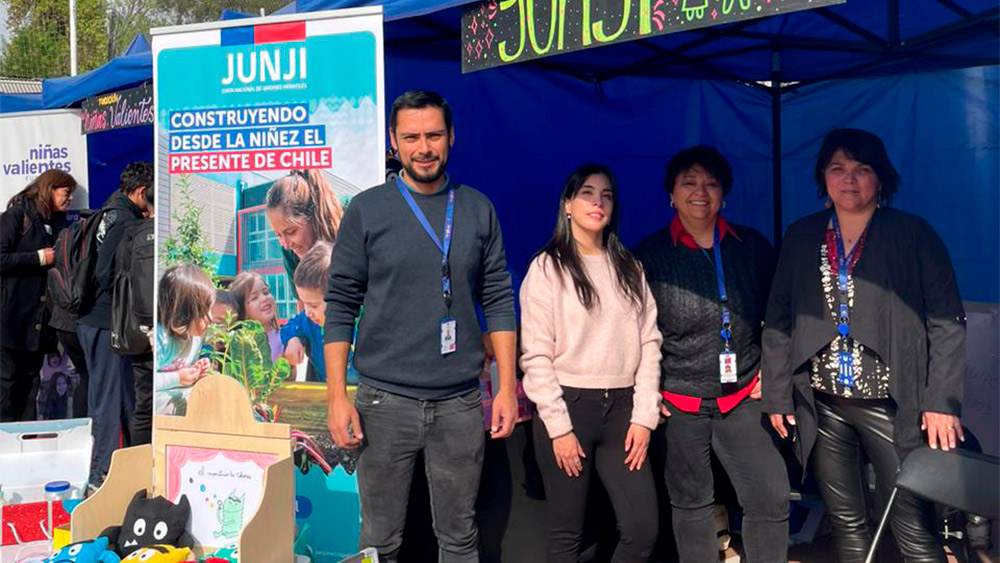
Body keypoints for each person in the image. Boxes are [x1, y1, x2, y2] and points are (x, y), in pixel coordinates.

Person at [325, 90, 519, 563]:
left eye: (433, 135)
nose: (424, 147)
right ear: (394, 142)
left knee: (458, 536)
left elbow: (497, 297)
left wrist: (508, 387)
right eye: (411, 137)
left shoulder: (477, 209)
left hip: (459, 402)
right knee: (379, 540)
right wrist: (335, 397)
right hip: (383, 402)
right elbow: (340, 304)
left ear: (451, 137)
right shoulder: (368, 210)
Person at [762, 129, 965, 562]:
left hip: (891, 404)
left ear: (881, 178)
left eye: (862, 169)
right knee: (847, 525)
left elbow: (947, 322)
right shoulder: (802, 235)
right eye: (837, 168)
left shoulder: (912, 234)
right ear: (823, 177)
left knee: (912, 522)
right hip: (824, 402)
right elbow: (778, 317)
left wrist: (941, 401)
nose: (849, 179)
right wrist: (778, 392)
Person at [633, 146, 789, 563]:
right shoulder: (648, 256)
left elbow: (779, 315)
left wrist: (772, 374)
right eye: (689, 182)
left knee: (769, 497)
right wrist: (648, 393)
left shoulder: (751, 246)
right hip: (680, 398)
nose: (700, 192)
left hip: (743, 393)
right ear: (671, 193)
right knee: (691, 503)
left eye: (711, 183)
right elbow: (634, 332)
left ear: (724, 194)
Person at [520, 164, 662, 563]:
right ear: (567, 204)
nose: (597, 202)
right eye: (587, 193)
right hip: (568, 410)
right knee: (568, 535)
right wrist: (559, 428)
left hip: (623, 413)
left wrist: (643, 416)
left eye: (607, 195)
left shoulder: (630, 268)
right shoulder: (547, 268)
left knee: (641, 530)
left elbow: (650, 343)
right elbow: (536, 354)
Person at [76, 162, 153, 488]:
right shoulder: (123, 221)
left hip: (94, 322)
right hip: (108, 323)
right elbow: (106, 274)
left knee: (112, 402)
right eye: (150, 197)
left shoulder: (107, 212)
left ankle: (112, 475)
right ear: (139, 192)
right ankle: (101, 480)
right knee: (109, 405)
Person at [0, 169, 77, 421]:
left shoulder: (56, 223)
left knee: (31, 386)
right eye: (66, 193)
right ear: (50, 188)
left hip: (38, 325)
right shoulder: (15, 216)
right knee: (8, 387)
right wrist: (39, 258)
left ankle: (25, 445)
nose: (70, 200)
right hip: (11, 321)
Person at [266, 168, 344, 296]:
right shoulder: (289, 253)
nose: (285, 244)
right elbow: (303, 303)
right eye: (278, 235)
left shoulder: (351, 220)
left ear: (313, 215)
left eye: (291, 231)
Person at [155, 263, 214, 416]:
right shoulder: (160, 339)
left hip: (181, 398)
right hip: (159, 406)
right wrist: (177, 378)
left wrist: (197, 369)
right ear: (183, 315)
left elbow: (187, 369)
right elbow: (147, 383)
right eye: (204, 313)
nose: (211, 318)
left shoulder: (196, 337)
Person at [282, 241, 332, 381]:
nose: (307, 311)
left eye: (314, 305)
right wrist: (293, 339)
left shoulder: (360, 324)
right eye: (304, 303)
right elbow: (290, 326)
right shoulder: (309, 321)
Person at [229, 271, 283, 365]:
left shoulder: (285, 336)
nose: (264, 298)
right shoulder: (238, 345)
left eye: (266, 292)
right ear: (243, 312)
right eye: (254, 298)